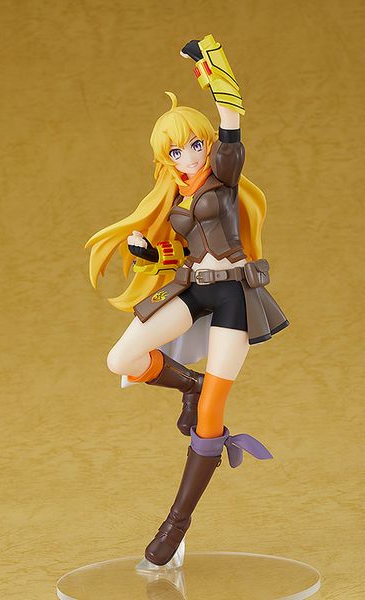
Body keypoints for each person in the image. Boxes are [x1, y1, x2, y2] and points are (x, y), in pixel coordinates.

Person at [86, 35, 289, 566]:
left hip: (234, 298)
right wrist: (147, 250)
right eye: (174, 152)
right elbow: (178, 250)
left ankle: (176, 523)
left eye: (193, 145)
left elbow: (231, 111)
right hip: (193, 287)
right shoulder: (174, 194)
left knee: (212, 415)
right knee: (121, 359)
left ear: (208, 144)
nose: (186, 157)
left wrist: (209, 62)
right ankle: (190, 384)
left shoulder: (225, 174)